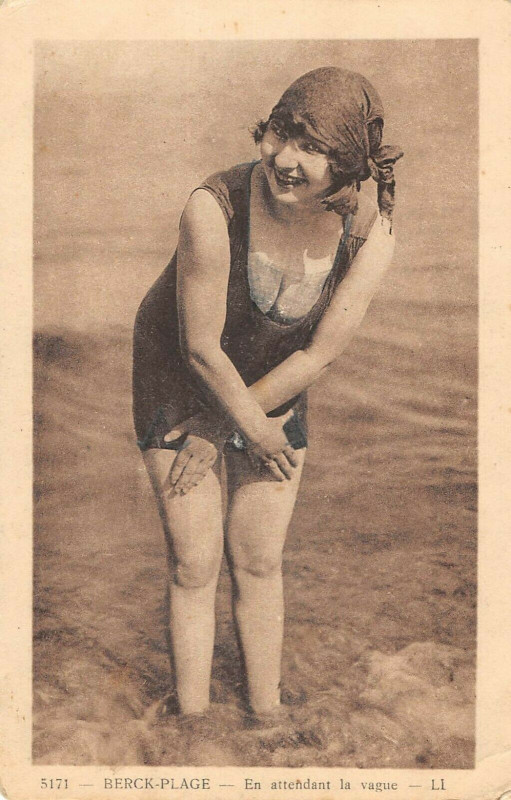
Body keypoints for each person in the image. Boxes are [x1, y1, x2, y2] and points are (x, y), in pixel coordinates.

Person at [133, 66, 403, 726]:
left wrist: (227, 425)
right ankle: (192, 725)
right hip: (178, 368)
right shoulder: (211, 208)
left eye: (311, 148)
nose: (284, 159)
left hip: (279, 379)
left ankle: (267, 715)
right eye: (279, 134)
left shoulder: (372, 236)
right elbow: (199, 348)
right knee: (194, 564)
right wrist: (234, 425)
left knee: (258, 558)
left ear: (347, 160)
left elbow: (317, 353)